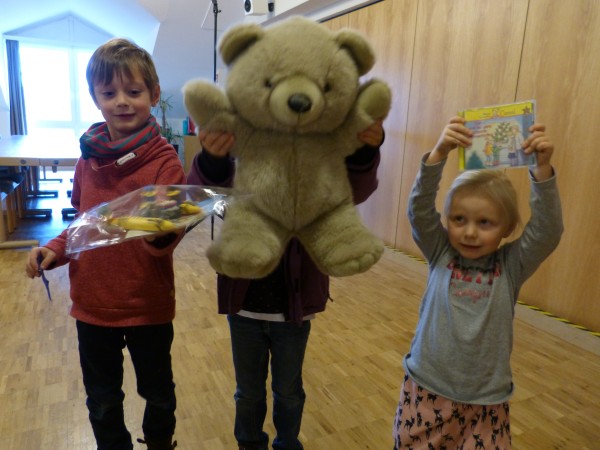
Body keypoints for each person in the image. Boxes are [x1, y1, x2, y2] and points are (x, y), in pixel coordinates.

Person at [25, 38, 185, 450]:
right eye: (109, 92)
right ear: (95, 98)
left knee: (159, 393)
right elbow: (82, 224)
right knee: (102, 399)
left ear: (153, 93)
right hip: (92, 305)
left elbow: (169, 235)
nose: (122, 102)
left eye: (133, 92)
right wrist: (54, 250)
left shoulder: (166, 161)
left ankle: (160, 444)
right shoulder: (86, 160)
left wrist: (164, 228)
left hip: (147, 303)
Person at [187, 121, 385, 450]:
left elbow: (354, 189)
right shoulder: (241, 169)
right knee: (248, 392)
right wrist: (211, 157)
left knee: (288, 392)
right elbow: (202, 192)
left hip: (292, 313)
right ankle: (250, 443)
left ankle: (287, 443)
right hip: (244, 310)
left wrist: (366, 150)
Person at [393, 117, 563, 449]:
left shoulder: (511, 265)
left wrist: (542, 170)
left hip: (486, 401)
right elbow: (419, 212)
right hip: (426, 390)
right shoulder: (441, 251)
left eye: (485, 222)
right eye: (459, 219)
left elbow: (547, 231)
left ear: (508, 227)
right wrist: (439, 153)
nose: (470, 232)